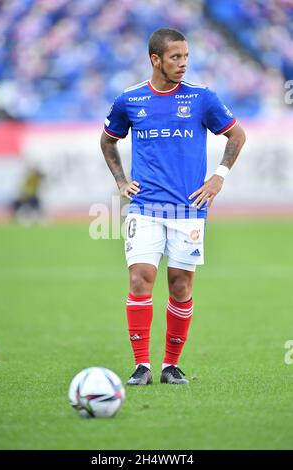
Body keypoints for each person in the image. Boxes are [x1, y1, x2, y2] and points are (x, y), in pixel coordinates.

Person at [100, 28, 246, 385]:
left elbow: (236, 135)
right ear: (156, 60)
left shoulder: (202, 98)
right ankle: (141, 367)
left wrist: (219, 175)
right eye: (175, 57)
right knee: (140, 279)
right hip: (145, 207)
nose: (183, 64)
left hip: (189, 209)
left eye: (186, 57)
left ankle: (170, 365)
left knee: (180, 286)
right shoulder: (129, 100)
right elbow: (108, 141)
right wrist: (121, 181)